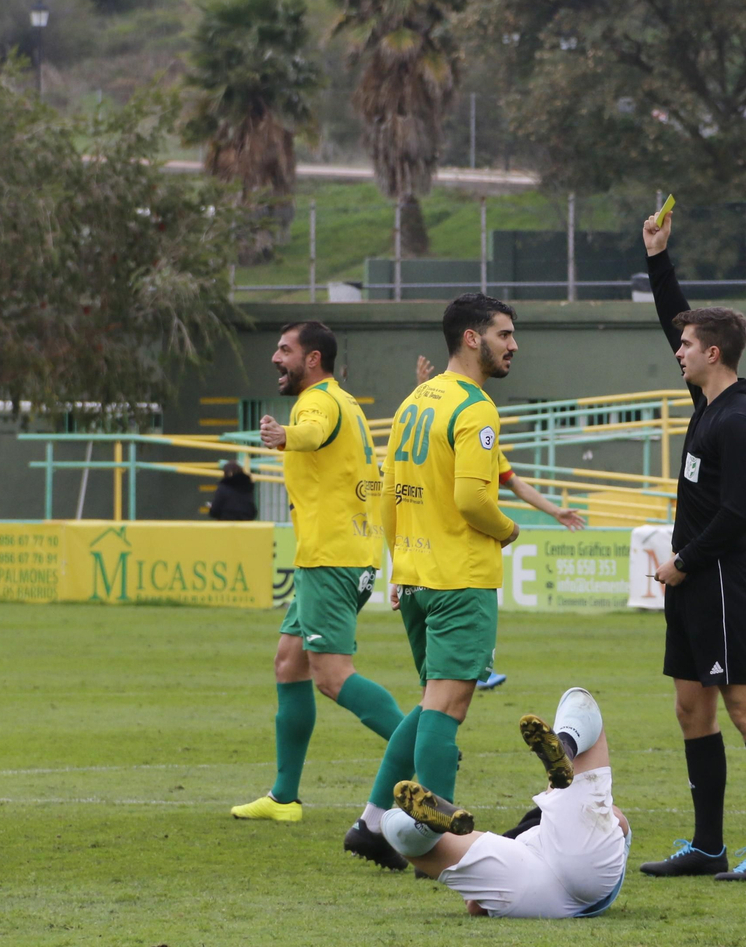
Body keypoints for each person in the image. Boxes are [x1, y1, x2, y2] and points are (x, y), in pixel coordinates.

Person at [636, 209, 746, 882]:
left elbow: (738, 513)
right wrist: (658, 259)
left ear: (715, 353)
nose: (679, 349)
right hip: (692, 580)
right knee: (689, 705)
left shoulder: (739, 420)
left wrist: (684, 562)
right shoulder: (707, 402)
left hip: (722, 576)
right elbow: (674, 317)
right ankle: (708, 846)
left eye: (689, 344)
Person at [343, 294, 523, 871]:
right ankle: (436, 846)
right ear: (472, 338)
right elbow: (474, 498)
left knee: (429, 704)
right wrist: (508, 527)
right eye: (503, 334)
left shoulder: (415, 401)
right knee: (447, 708)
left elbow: (390, 488)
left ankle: (372, 825)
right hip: (459, 578)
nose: (513, 345)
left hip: (419, 577)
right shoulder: (475, 408)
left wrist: (400, 566)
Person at [229, 322, 404, 822]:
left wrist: (286, 435)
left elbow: (312, 430)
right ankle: (284, 798)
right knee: (290, 662)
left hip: (333, 555)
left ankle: (423, 743)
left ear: (312, 359)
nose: (274, 357)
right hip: (335, 553)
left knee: (331, 676)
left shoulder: (317, 402)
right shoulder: (344, 400)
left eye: (285, 349)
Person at [414, 354, 587, 692]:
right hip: (455, 557)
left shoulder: (480, 441)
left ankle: (468, 682)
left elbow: (514, 483)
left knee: (434, 695)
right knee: (444, 696)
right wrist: (508, 529)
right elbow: (432, 431)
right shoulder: (472, 415)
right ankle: (475, 671)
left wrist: (555, 511)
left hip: (422, 557)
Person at [379, 687, 630, 919]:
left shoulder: (525, 835)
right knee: (578, 699)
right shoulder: (547, 826)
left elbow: (475, 905)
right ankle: (566, 745)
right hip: (586, 874)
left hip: (527, 884)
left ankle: (427, 829)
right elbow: (617, 820)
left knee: (392, 825)